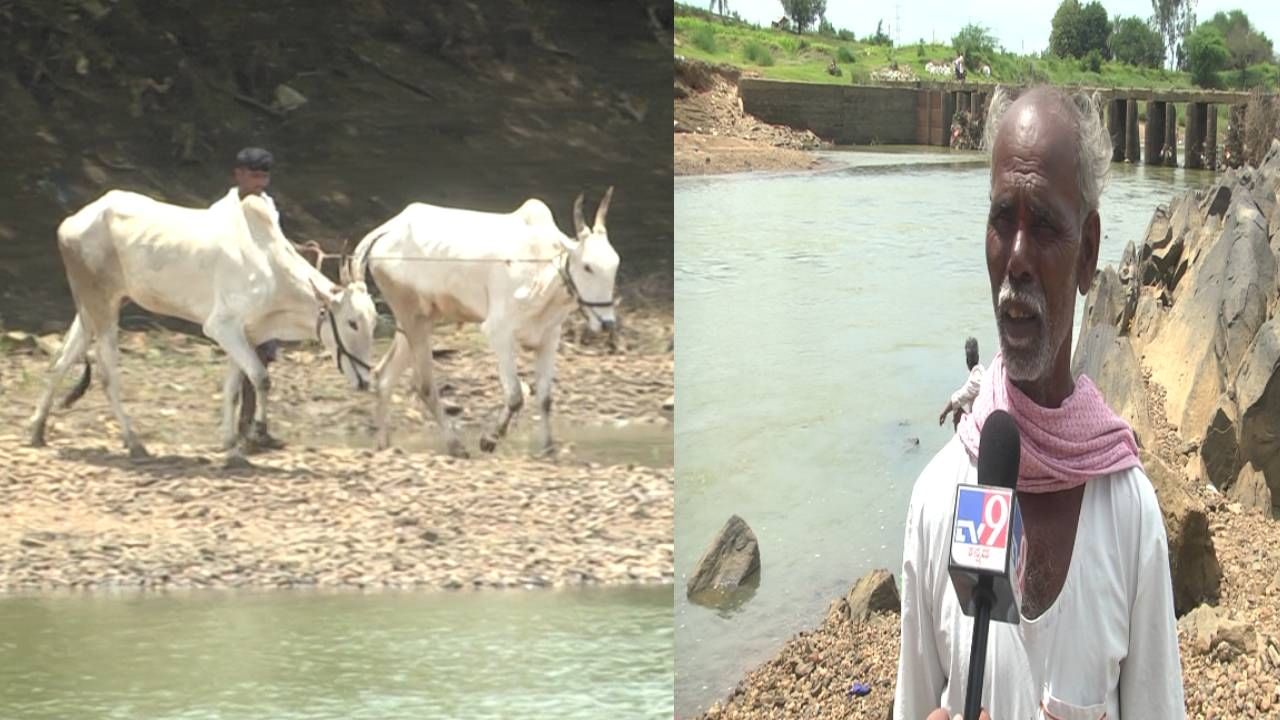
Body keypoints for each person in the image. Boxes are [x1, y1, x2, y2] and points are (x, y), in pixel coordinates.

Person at [894, 86, 1185, 719]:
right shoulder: (937, 499)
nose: (1017, 258)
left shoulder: (1130, 516)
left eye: (1045, 225)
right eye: (1003, 219)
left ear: (1088, 253)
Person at [210, 146, 288, 450]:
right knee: (242, 361)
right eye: (253, 176)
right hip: (232, 298)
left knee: (260, 362)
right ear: (238, 175)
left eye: (263, 177)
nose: (259, 183)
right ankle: (234, 431)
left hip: (263, 297)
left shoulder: (268, 205)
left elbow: (275, 244)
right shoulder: (222, 212)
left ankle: (253, 428)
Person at [938, 337, 983, 430]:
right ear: (978, 357)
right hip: (985, 419)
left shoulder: (975, 380)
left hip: (982, 425)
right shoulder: (982, 372)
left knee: (957, 408)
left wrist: (944, 413)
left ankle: (959, 440)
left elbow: (956, 399)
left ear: (967, 361)